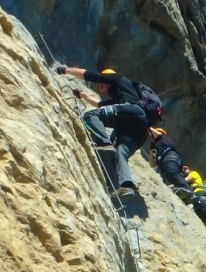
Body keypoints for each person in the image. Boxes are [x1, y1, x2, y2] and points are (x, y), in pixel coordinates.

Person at [56, 65, 153, 197]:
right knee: (120, 153)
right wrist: (82, 95)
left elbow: (89, 75)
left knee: (90, 115)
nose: (100, 89)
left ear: (107, 79)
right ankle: (126, 187)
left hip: (133, 112)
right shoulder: (119, 96)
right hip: (139, 131)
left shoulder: (117, 79)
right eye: (99, 88)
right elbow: (100, 104)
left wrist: (66, 70)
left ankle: (104, 144)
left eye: (101, 84)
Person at [148, 126, 189, 191]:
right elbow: (152, 165)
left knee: (171, 172)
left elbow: (149, 129)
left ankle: (186, 189)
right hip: (164, 165)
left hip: (170, 157)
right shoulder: (154, 148)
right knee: (170, 176)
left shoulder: (162, 138)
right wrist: (151, 148)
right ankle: (183, 191)